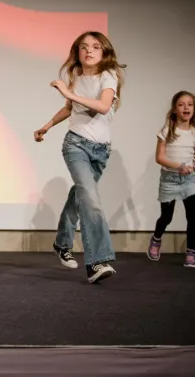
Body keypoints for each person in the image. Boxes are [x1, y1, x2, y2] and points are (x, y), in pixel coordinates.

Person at [34, 31, 126, 284]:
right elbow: (69, 108)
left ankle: (62, 242)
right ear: (77, 52)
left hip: (101, 150)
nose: (89, 51)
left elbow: (103, 106)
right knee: (91, 200)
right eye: (84, 47)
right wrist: (47, 126)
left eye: (95, 47)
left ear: (104, 52)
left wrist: (68, 92)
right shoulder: (75, 77)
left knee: (80, 195)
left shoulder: (108, 76)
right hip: (76, 144)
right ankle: (97, 262)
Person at [147, 91, 195, 268]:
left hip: (189, 179)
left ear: (194, 109)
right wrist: (179, 166)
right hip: (170, 179)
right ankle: (156, 238)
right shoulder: (167, 131)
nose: (186, 108)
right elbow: (159, 157)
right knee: (167, 216)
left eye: (190, 104)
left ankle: (191, 253)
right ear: (174, 109)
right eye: (181, 104)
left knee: (192, 216)